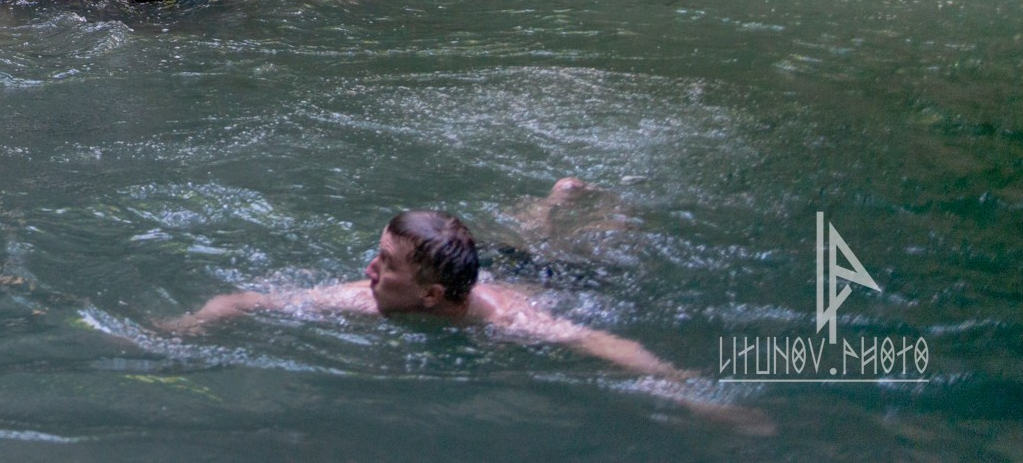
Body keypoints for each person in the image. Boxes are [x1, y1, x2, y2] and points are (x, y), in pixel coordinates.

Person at [161, 191, 757, 423]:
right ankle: (546, 204)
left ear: (429, 297)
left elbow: (599, 343)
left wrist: (691, 392)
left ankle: (602, 206)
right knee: (529, 240)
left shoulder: (505, 320)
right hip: (468, 263)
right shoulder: (368, 300)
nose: (367, 273)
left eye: (383, 266)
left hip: (543, 282)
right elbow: (245, 301)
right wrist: (183, 328)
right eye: (377, 257)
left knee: (579, 251)